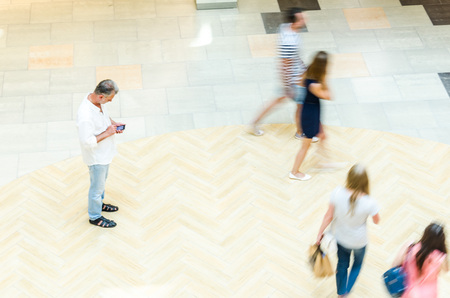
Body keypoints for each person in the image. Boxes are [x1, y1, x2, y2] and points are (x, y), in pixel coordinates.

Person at [250, 7, 315, 141]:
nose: (305, 19)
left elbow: (291, 58)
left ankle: (255, 122)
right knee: (300, 105)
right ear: (296, 22)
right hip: (293, 79)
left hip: (296, 75)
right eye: (302, 18)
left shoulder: (285, 27)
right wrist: (288, 86)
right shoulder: (289, 42)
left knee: (283, 102)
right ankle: (300, 132)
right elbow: (284, 63)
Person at [316, 164, 380, 297]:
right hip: (359, 241)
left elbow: (328, 216)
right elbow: (376, 220)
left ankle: (340, 293)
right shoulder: (370, 202)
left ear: (349, 178)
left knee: (342, 265)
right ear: (365, 182)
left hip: (340, 238)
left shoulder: (337, 192)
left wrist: (319, 233)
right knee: (357, 265)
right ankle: (347, 291)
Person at [77, 79, 125, 228]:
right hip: (96, 157)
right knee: (96, 188)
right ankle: (95, 216)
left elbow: (104, 116)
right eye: (109, 99)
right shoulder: (85, 115)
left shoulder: (97, 102)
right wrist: (107, 132)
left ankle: (99, 205)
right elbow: (87, 141)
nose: (109, 102)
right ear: (101, 96)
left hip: (105, 154)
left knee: (101, 184)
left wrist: (113, 124)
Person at [289, 51, 331, 181]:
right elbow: (329, 95)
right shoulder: (315, 85)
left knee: (322, 135)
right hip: (310, 114)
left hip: (312, 109)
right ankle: (294, 171)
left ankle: (323, 162)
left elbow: (301, 82)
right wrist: (325, 79)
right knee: (305, 146)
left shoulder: (308, 72)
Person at [392, 223, 448, 297]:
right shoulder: (440, 257)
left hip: (407, 291)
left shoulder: (410, 247)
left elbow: (394, 265)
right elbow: (446, 269)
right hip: (428, 294)